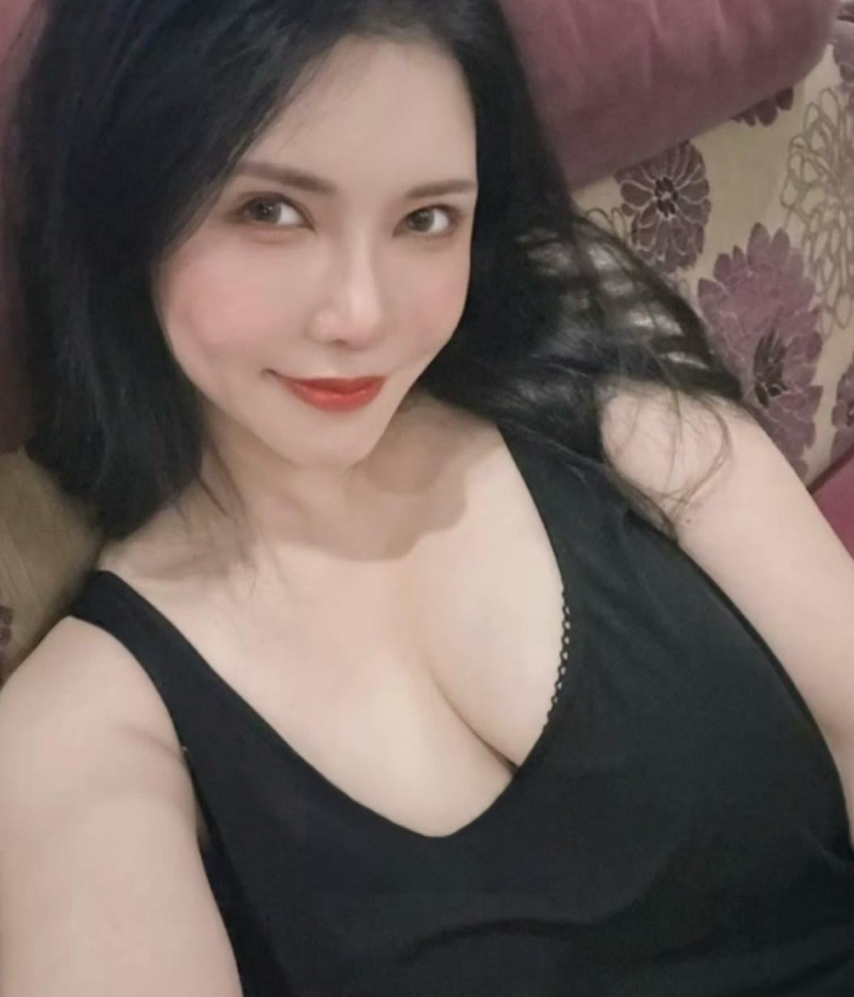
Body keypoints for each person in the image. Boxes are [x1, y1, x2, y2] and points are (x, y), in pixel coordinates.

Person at [1, 0, 853, 993]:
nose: (362, 314)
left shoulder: (630, 423)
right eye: (269, 210)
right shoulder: (80, 730)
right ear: (122, 201)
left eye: (424, 219)